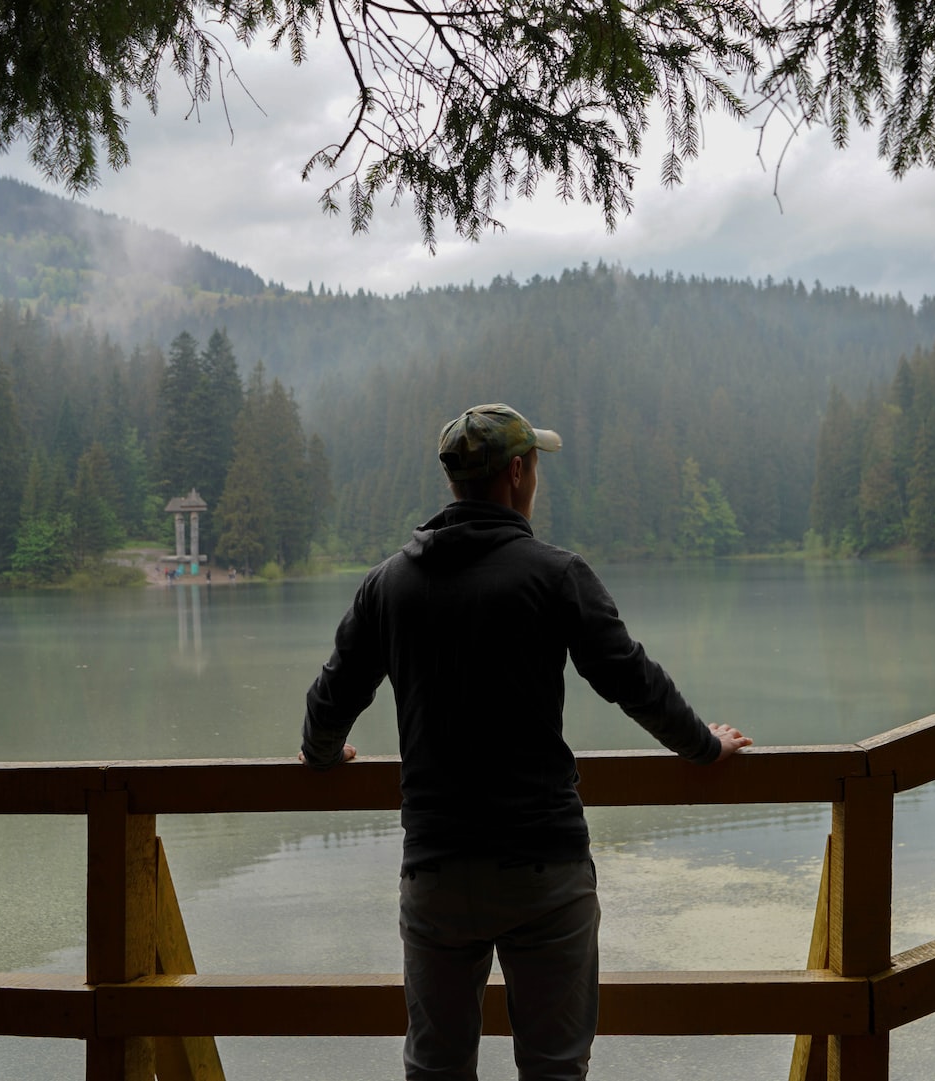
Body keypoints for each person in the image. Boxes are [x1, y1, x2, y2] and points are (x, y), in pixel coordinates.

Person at [300, 403, 750, 1081]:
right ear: (517, 473)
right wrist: (706, 749)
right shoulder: (554, 574)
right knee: (554, 1069)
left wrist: (324, 755)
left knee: (435, 1069)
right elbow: (636, 684)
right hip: (544, 869)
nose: (536, 476)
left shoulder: (388, 585)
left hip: (437, 871)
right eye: (534, 464)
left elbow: (330, 702)